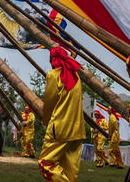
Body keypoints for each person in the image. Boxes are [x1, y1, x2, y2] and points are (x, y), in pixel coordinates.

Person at [38, 46, 84, 182]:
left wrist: (46, 121)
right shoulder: (76, 76)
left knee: (45, 163)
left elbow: (50, 103)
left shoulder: (53, 75)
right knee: (70, 170)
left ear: (52, 59)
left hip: (59, 129)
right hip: (77, 129)